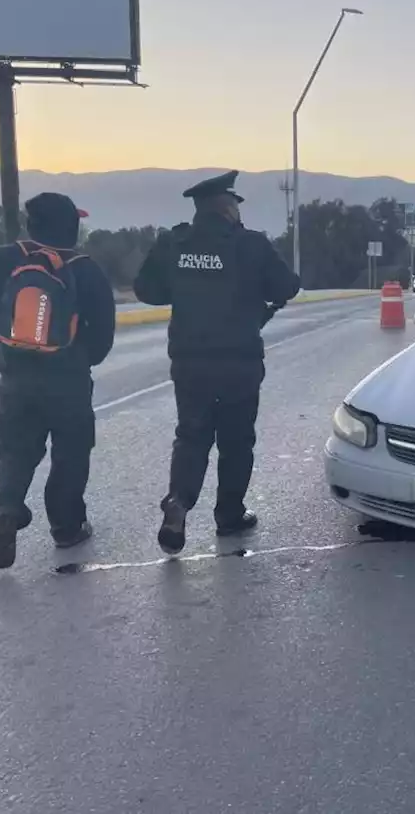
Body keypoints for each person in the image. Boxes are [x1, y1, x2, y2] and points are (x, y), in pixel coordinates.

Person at [134, 170, 301, 555]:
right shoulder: (251, 245)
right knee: (236, 441)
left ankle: (178, 503)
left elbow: (146, 289)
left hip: (190, 361)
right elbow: (285, 287)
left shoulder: (174, 242)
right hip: (238, 362)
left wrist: (186, 290)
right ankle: (229, 516)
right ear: (227, 207)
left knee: (191, 435)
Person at [0, 193, 117, 569]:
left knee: (16, 449)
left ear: (31, 225)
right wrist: (79, 359)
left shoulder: (4, 259)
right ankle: (67, 527)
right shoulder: (86, 269)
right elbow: (102, 337)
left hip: (16, 377)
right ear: (71, 226)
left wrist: (8, 352)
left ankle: (6, 508)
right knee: (70, 452)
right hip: (68, 380)